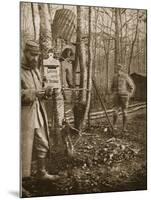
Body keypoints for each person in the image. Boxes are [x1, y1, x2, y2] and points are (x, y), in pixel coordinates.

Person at [21, 40, 59, 181]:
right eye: (32, 55)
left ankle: (41, 172)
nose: (35, 58)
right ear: (25, 53)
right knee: (23, 145)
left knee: (42, 141)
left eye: (37, 55)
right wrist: (33, 93)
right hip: (23, 115)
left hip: (38, 111)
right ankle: (20, 180)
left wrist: (47, 91)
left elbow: (41, 88)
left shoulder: (36, 70)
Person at [111, 64, 135, 133]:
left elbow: (132, 86)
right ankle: (114, 126)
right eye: (116, 69)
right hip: (116, 97)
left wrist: (129, 94)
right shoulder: (114, 77)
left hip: (124, 96)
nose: (118, 71)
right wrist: (113, 94)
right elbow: (112, 87)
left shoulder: (125, 76)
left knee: (124, 111)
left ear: (121, 69)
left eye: (119, 69)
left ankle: (124, 128)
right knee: (115, 111)